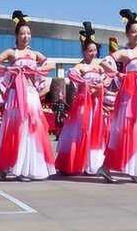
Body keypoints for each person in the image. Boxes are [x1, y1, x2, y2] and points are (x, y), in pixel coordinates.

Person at [0, 10, 56, 182]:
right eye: (22, 33)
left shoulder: (35, 54)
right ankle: (11, 165)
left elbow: (51, 64)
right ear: (16, 35)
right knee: (16, 129)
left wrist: (39, 69)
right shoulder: (12, 53)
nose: (25, 36)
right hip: (15, 96)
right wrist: (8, 69)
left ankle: (29, 168)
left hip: (31, 95)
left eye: (28, 33)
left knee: (32, 130)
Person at [98, 9, 137, 184]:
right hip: (129, 98)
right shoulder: (125, 53)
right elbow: (104, 61)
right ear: (127, 34)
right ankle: (109, 166)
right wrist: (118, 74)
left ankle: (134, 167)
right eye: (133, 31)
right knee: (127, 132)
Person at [55, 22, 108, 176]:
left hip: (97, 103)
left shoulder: (100, 66)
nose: (93, 53)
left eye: (95, 50)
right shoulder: (79, 67)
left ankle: (94, 163)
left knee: (96, 132)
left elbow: (109, 78)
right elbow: (73, 77)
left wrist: (101, 85)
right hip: (84, 104)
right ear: (84, 51)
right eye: (89, 50)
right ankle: (78, 161)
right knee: (82, 131)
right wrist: (88, 85)